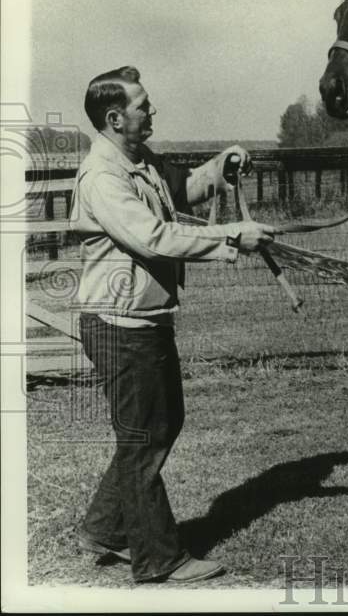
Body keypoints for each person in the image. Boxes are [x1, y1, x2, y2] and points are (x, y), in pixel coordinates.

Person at [70, 65, 275, 583]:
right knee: (144, 438)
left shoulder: (139, 162)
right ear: (115, 118)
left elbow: (181, 188)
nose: (151, 110)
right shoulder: (104, 176)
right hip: (120, 326)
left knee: (160, 426)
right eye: (143, 105)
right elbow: (154, 237)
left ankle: (104, 528)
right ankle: (159, 558)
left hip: (144, 320)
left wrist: (221, 163)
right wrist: (233, 237)